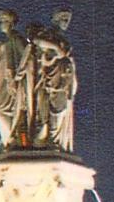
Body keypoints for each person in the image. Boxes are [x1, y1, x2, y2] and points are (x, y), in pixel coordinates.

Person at [21, 8, 77, 151]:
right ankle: (49, 140)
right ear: (55, 19)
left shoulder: (64, 40)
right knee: (48, 111)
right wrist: (56, 48)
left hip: (63, 81)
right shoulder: (48, 34)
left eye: (68, 18)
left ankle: (54, 140)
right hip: (48, 81)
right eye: (63, 17)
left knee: (59, 111)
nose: (66, 21)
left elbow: (69, 60)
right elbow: (36, 41)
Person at [0, 9, 28, 149]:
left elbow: (26, 55)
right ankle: (10, 140)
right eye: (1, 21)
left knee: (1, 113)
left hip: (12, 85)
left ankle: (10, 140)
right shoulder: (6, 41)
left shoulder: (16, 38)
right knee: (4, 113)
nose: (2, 24)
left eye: (5, 21)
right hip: (3, 83)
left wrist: (18, 76)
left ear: (12, 23)